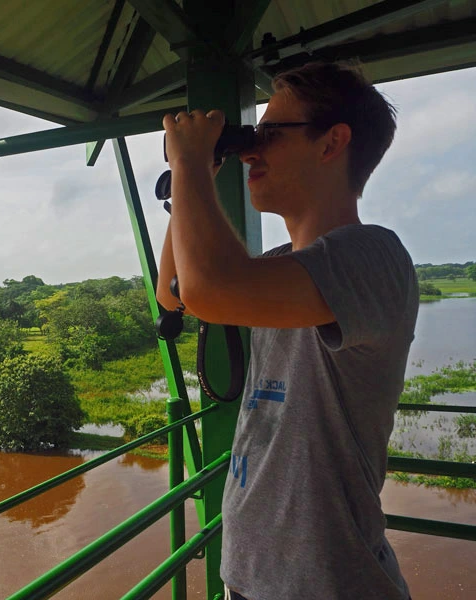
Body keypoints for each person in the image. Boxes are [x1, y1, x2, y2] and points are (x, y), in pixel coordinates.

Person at [156, 61, 417, 600]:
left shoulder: (374, 255)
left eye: (270, 134)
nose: (251, 152)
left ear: (331, 143)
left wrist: (188, 163)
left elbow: (209, 287)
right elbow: (175, 290)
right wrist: (198, 170)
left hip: (329, 586)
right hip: (250, 579)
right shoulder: (277, 266)